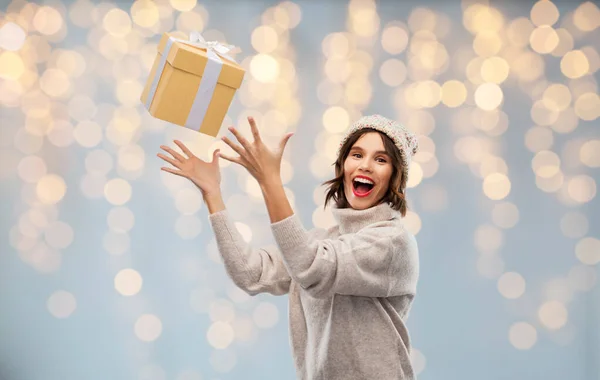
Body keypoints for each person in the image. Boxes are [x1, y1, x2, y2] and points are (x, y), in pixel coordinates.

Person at [157, 114, 420, 380]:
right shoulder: (323, 242)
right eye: (357, 154)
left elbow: (313, 269)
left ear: (395, 178)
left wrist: (269, 180)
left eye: (381, 159)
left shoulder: (393, 242)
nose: (365, 166)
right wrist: (212, 194)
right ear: (342, 167)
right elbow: (252, 274)